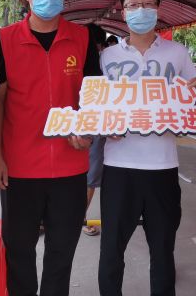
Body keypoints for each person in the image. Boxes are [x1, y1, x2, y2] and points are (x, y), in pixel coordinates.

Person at [0, 0, 102, 296]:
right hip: (20, 167)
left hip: (71, 167)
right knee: (19, 250)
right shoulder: (6, 40)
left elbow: (94, 96)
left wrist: (87, 131)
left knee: (61, 251)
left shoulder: (81, 38)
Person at [98, 0, 196, 296]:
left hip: (162, 167)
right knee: (111, 250)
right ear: (123, 12)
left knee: (162, 249)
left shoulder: (178, 53)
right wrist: (105, 125)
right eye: (133, 5)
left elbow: (192, 100)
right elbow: (97, 104)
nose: (141, 10)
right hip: (118, 167)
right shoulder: (107, 57)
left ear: (158, 9)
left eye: (148, 4)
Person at [83, 23, 108, 237]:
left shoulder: (72, 59)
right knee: (90, 176)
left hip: (73, 122)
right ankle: (79, 218)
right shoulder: (100, 62)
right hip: (95, 124)